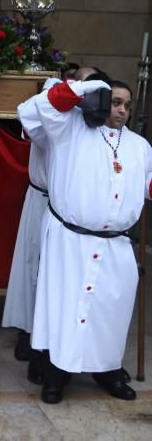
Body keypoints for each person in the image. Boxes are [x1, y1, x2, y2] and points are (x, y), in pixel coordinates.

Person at [19, 78, 152, 403]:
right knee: (65, 311)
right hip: (71, 242)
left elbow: (147, 185)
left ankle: (107, 371)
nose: (121, 110)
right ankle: (56, 376)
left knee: (111, 312)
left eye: (125, 105)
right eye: (114, 101)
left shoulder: (140, 146)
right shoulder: (67, 132)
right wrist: (83, 88)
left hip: (116, 245)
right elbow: (40, 107)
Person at [2, 77, 61, 381]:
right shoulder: (51, 121)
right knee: (32, 265)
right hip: (42, 200)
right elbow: (28, 115)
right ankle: (28, 330)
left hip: (71, 213)